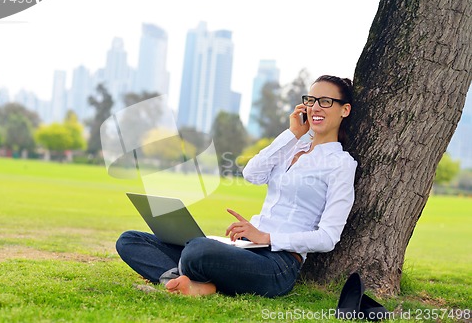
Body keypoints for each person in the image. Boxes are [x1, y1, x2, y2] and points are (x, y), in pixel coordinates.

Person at [116, 75, 358, 297]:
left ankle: (198, 283)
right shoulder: (292, 147)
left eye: (325, 101)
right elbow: (252, 174)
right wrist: (292, 133)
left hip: (278, 264)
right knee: (130, 240)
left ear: (344, 110)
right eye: (311, 100)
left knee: (197, 251)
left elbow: (327, 238)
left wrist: (266, 236)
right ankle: (186, 282)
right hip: (245, 248)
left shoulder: (340, 164)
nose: (315, 107)